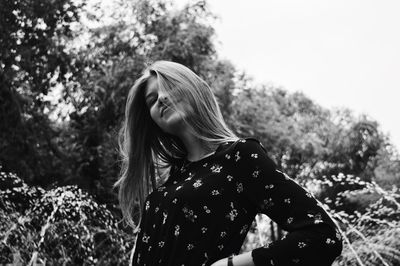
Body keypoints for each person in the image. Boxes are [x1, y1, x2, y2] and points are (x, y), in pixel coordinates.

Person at [114, 60, 343, 266]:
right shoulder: (172, 177)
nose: (162, 98)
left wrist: (231, 265)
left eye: (170, 86)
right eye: (152, 100)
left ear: (194, 89)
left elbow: (323, 235)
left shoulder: (239, 156)